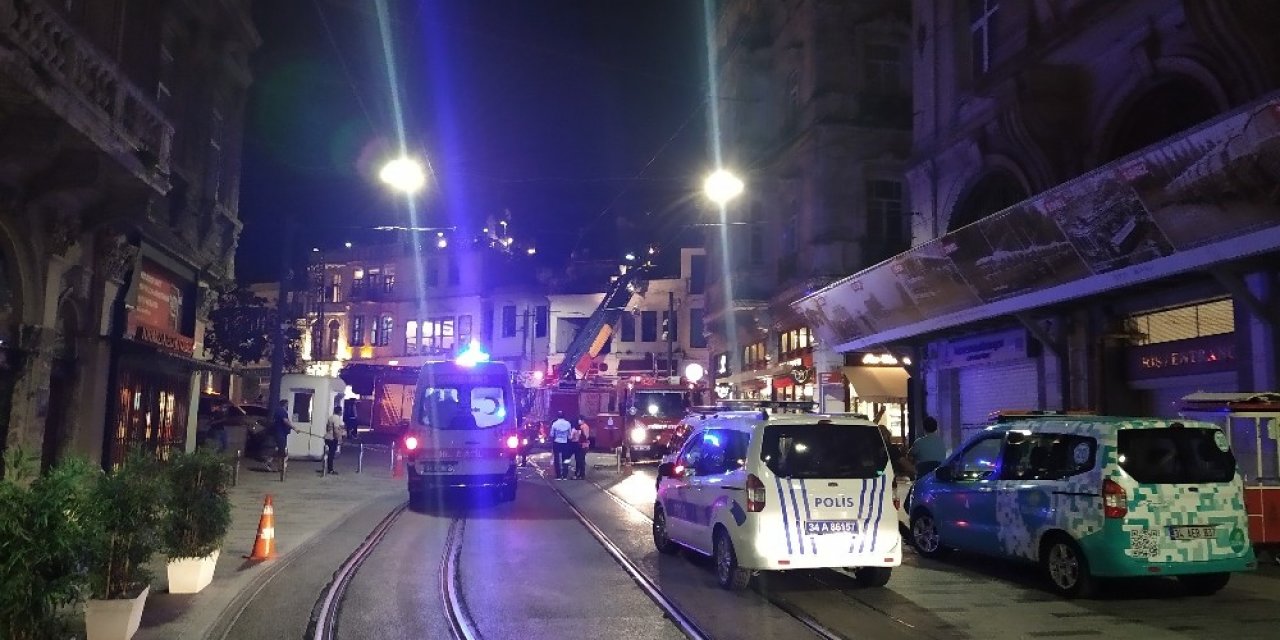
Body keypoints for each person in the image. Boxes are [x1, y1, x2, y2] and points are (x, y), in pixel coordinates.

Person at [266, 399, 298, 472]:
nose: (288, 406)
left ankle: (278, 464)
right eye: (287, 404)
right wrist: (294, 428)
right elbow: (285, 421)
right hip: (280, 433)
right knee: (281, 449)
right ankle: (273, 463)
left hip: (280, 433)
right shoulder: (281, 411)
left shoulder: (278, 411)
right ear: (285, 404)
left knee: (279, 449)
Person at [320, 407, 345, 474]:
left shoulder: (330, 417)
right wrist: (339, 438)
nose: (342, 412)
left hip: (327, 437)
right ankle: (330, 470)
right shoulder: (337, 418)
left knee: (327, 454)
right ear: (339, 411)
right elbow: (336, 430)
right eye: (341, 411)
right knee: (331, 454)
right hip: (332, 438)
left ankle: (324, 468)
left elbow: (327, 427)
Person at [549, 412, 572, 479]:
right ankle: (565, 474)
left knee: (556, 459)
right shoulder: (568, 423)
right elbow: (569, 436)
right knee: (566, 458)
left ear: (557, 416)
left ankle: (558, 475)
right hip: (565, 443)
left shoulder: (555, 424)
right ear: (564, 416)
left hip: (557, 442)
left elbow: (552, 434)